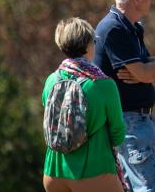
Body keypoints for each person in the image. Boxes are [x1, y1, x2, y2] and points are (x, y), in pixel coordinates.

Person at [93, 0, 155, 192]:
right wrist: (150, 68)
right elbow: (145, 74)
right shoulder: (114, 28)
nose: (153, 1)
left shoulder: (132, 27)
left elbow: (147, 70)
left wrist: (152, 65)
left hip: (134, 121)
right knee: (153, 188)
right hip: (129, 122)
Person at [43, 18, 126, 192]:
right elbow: (117, 133)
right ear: (88, 45)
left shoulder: (52, 80)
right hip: (93, 173)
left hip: (54, 173)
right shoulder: (103, 85)